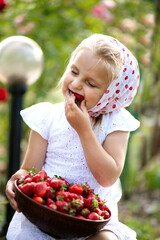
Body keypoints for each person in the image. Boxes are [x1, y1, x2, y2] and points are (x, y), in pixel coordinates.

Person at [5, 33, 140, 240]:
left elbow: (108, 177)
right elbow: (29, 169)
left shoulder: (116, 123)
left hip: (92, 220)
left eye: (91, 84)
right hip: (45, 212)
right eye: (74, 72)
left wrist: (84, 130)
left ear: (110, 94)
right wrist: (16, 181)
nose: (76, 84)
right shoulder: (47, 116)